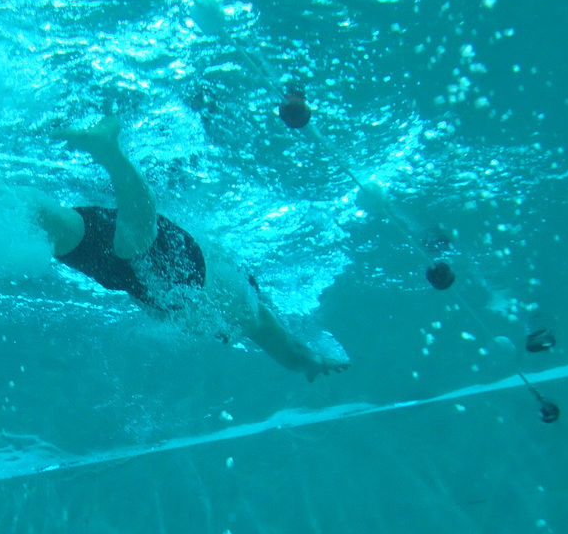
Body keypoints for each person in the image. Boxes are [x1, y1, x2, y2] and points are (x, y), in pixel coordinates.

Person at [32, 116, 349, 380]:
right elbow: (290, 351)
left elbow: (291, 352)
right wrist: (314, 362)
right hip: (179, 280)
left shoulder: (238, 303)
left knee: (57, 224)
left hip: (130, 280)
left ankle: (6, 196)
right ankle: (109, 150)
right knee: (134, 241)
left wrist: (313, 362)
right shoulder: (253, 314)